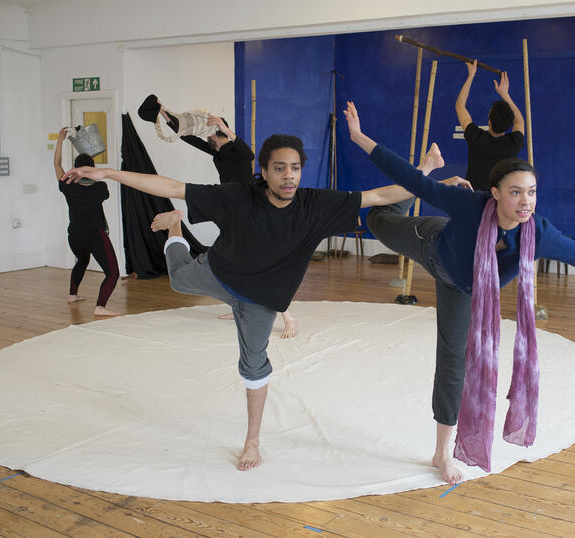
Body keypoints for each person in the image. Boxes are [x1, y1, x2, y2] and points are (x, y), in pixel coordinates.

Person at [61, 133, 470, 472]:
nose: (288, 176)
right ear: (264, 171)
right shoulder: (237, 197)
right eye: (279, 168)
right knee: (181, 278)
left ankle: (252, 440)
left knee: (254, 365)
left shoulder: (315, 204)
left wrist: (436, 181)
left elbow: (380, 195)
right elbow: (169, 186)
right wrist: (109, 173)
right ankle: (174, 228)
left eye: (295, 168)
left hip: (260, 300)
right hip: (218, 273)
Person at [344, 101, 575, 484]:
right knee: (380, 219)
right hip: (433, 245)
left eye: (532, 193)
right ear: (495, 193)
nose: (525, 202)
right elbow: (411, 180)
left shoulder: (537, 233)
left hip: (464, 287)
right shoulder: (470, 205)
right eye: (516, 193)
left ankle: (442, 452)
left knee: (455, 360)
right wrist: (358, 137)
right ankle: (430, 163)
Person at [139, 95, 299, 337]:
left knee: (259, 262)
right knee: (231, 259)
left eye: (210, 133)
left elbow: (249, 153)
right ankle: (236, 305)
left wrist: (224, 127)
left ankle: (288, 318)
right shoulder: (218, 153)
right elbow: (186, 137)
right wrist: (163, 113)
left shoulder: (239, 152)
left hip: (250, 210)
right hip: (230, 209)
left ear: (218, 132)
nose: (207, 137)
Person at [54, 128, 120, 317]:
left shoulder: (67, 184)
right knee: (112, 273)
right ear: (91, 169)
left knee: (82, 260)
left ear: (74, 168)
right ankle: (100, 306)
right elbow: (100, 179)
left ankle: (72, 295)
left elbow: (57, 164)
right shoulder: (100, 187)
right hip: (94, 234)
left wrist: (60, 141)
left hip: (74, 234)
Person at [455, 60, 526, 191]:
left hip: (474, 200)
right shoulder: (513, 143)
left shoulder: (477, 138)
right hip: (500, 203)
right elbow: (520, 121)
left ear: (489, 121)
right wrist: (505, 94)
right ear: (509, 124)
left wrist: (471, 75)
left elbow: (460, 105)